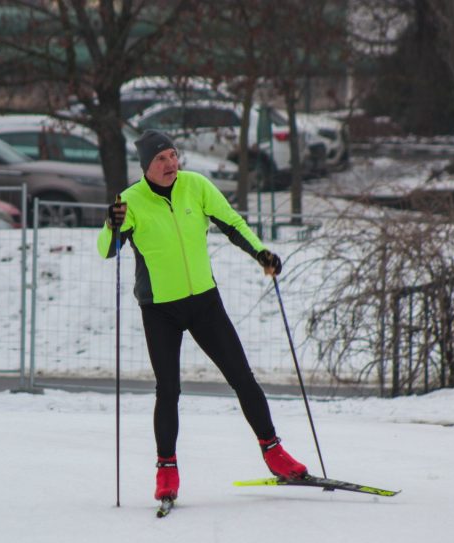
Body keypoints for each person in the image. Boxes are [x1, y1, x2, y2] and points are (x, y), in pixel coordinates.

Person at [97, 129, 307, 504]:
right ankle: (166, 470)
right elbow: (107, 251)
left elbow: (232, 224)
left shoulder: (196, 186)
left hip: (204, 303)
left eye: (173, 156)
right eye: (160, 159)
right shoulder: (129, 201)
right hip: (159, 309)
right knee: (169, 390)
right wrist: (112, 224)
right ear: (146, 166)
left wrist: (261, 253)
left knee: (242, 377)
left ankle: (274, 452)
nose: (170, 164)